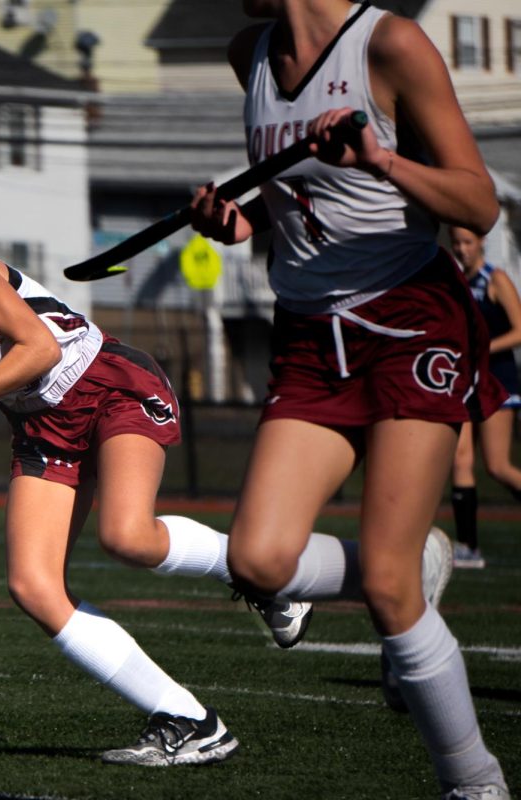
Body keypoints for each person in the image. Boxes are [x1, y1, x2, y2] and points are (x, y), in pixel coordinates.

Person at [0, 203, 329, 767]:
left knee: (128, 537)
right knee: (33, 587)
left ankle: (266, 575)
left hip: (108, 386)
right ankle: (190, 721)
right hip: (41, 429)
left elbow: (41, 349)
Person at [188, 1, 509, 796]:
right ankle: (423, 560)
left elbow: (477, 203)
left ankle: (475, 782)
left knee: (387, 588)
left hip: (408, 319)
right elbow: (295, 194)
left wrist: (382, 160)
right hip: (307, 332)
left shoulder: (390, 43)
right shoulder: (250, 53)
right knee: (259, 560)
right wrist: (242, 219)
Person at [448, 225, 521, 569]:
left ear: (481, 243)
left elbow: (520, 331)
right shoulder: (456, 282)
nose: (461, 249)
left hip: (498, 379)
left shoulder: (497, 280)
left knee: (497, 466)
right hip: (465, 380)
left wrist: (481, 349)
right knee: (460, 460)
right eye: (456, 242)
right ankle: (468, 547)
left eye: (467, 242)